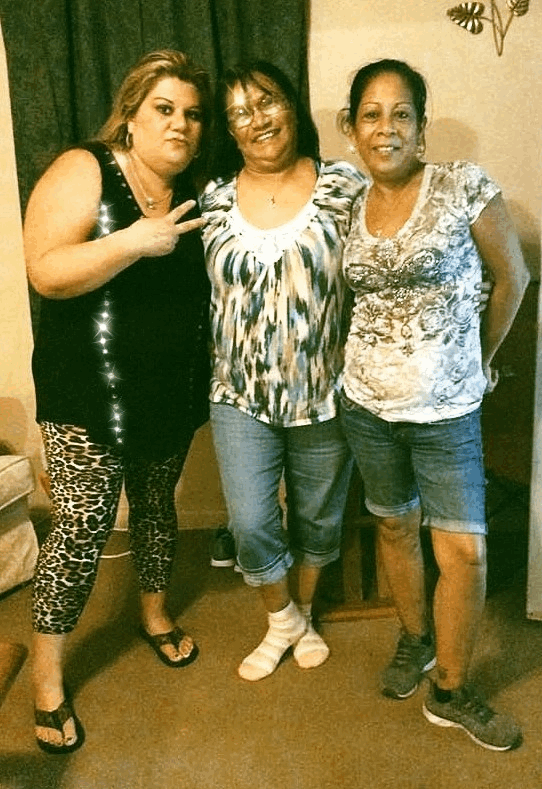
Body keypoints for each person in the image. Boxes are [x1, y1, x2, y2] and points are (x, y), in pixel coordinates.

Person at [23, 50, 212, 753]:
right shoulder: (87, 168)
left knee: (157, 504)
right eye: (164, 108)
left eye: (192, 114)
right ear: (131, 115)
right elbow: (45, 270)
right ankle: (46, 675)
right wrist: (132, 241)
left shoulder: (196, 191)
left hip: (165, 388)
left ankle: (154, 613)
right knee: (83, 525)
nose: (180, 123)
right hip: (85, 391)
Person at [338, 58, 529, 751]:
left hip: (446, 409)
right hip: (366, 405)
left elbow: (513, 276)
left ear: (420, 127)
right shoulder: (347, 204)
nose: (385, 128)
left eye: (401, 114)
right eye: (371, 114)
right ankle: (416, 639)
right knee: (395, 527)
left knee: (464, 553)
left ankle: (450, 690)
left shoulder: (462, 185)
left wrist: (480, 357)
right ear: (352, 127)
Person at [200, 61, 366, 681]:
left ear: (291, 105)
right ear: (230, 130)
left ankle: (304, 614)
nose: (258, 119)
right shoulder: (212, 199)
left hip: (326, 389)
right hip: (238, 392)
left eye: (267, 101)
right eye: (240, 112)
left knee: (318, 516)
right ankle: (282, 620)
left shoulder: (344, 185)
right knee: (250, 521)